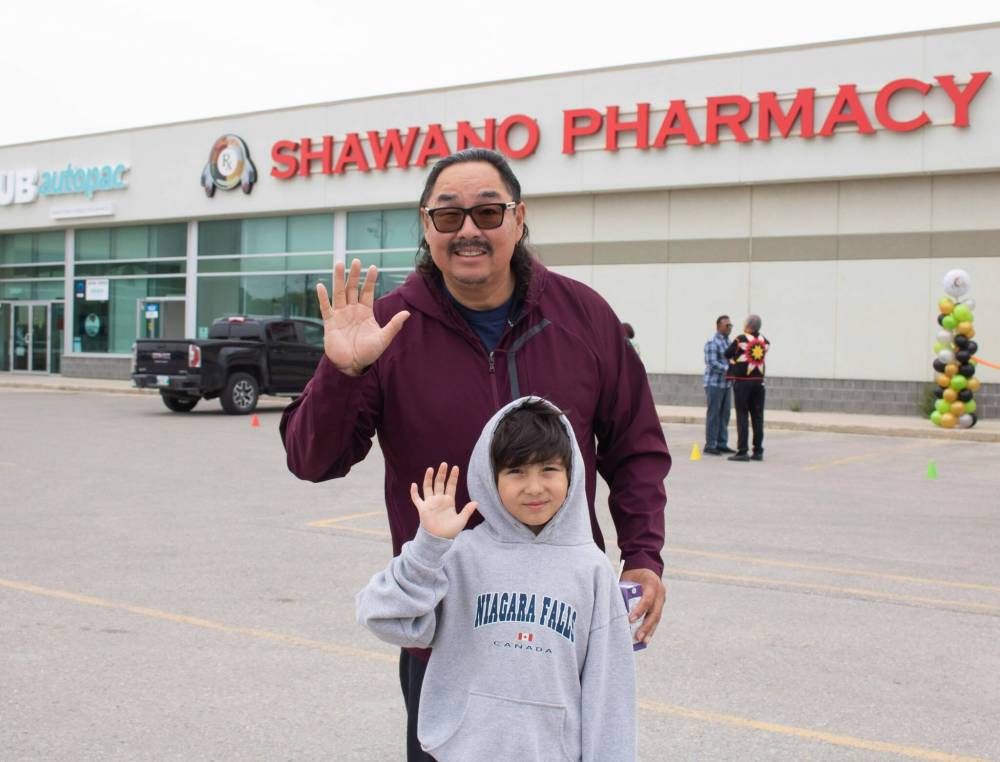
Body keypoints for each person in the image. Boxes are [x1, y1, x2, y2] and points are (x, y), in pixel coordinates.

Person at [279, 148, 670, 760]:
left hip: (560, 632)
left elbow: (636, 447)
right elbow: (312, 460)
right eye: (448, 215)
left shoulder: (584, 317)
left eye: (488, 213)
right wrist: (342, 373)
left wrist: (643, 555)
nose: (469, 230)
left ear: (519, 219)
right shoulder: (388, 327)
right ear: (426, 225)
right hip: (446, 631)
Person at [356, 398, 636, 761]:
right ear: (491, 478)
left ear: (571, 473)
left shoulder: (592, 569)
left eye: (549, 469)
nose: (534, 487)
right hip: (461, 752)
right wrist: (428, 547)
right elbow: (381, 617)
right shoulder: (461, 555)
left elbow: (609, 692)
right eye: (516, 471)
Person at [725, 314, 770, 461]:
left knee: (742, 416)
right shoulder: (764, 341)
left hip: (743, 382)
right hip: (759, 383)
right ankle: (758, 451)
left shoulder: (741, 339)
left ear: (748, 325)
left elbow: (727, 353)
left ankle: (742, 451)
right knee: (758, 417)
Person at [702, 315, 734, 455]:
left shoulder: (729, 342)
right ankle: (710, 444)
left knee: (725, 414)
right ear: (719, 326)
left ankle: (722, 443)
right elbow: (712, 363)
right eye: (727, 325)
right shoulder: (712, 342)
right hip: (714, 384)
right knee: (714, 415)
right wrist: (729, 369)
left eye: (730, 325)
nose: (729, 328)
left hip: (726, 384)